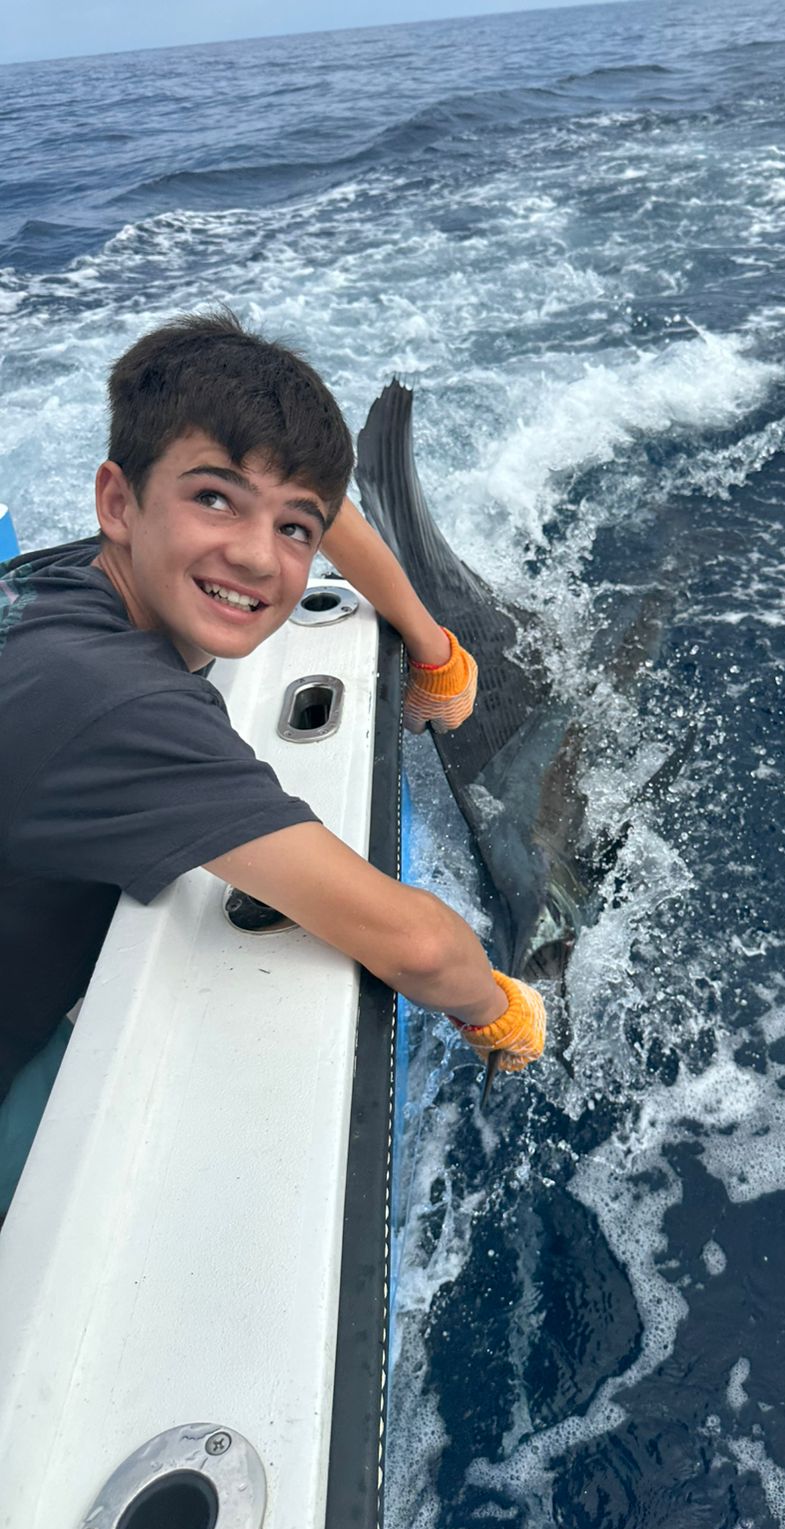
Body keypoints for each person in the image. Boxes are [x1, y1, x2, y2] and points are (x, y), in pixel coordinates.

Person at [0, 309, 544, 1212]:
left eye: (293, 527)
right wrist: (507, 1014)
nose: (258, 555)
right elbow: (417, 945)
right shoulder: (121, 706)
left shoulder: (64, 579)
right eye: (215, 500)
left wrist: (430, 643)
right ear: (118, 502)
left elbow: (327, 514)